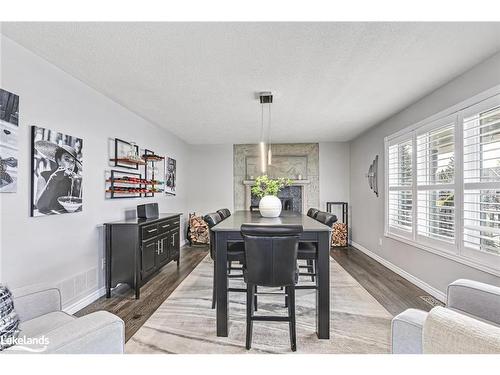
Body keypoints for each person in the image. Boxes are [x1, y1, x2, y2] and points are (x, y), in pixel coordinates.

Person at [36, 144, 82, 214]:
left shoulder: (71, 180)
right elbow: (40, 206)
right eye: (67, 159)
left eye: (73, 161)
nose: (70, 164)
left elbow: (77, 204)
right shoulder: (44, 175)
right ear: (58, 160)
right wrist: (53, 179)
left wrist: (78, 183)